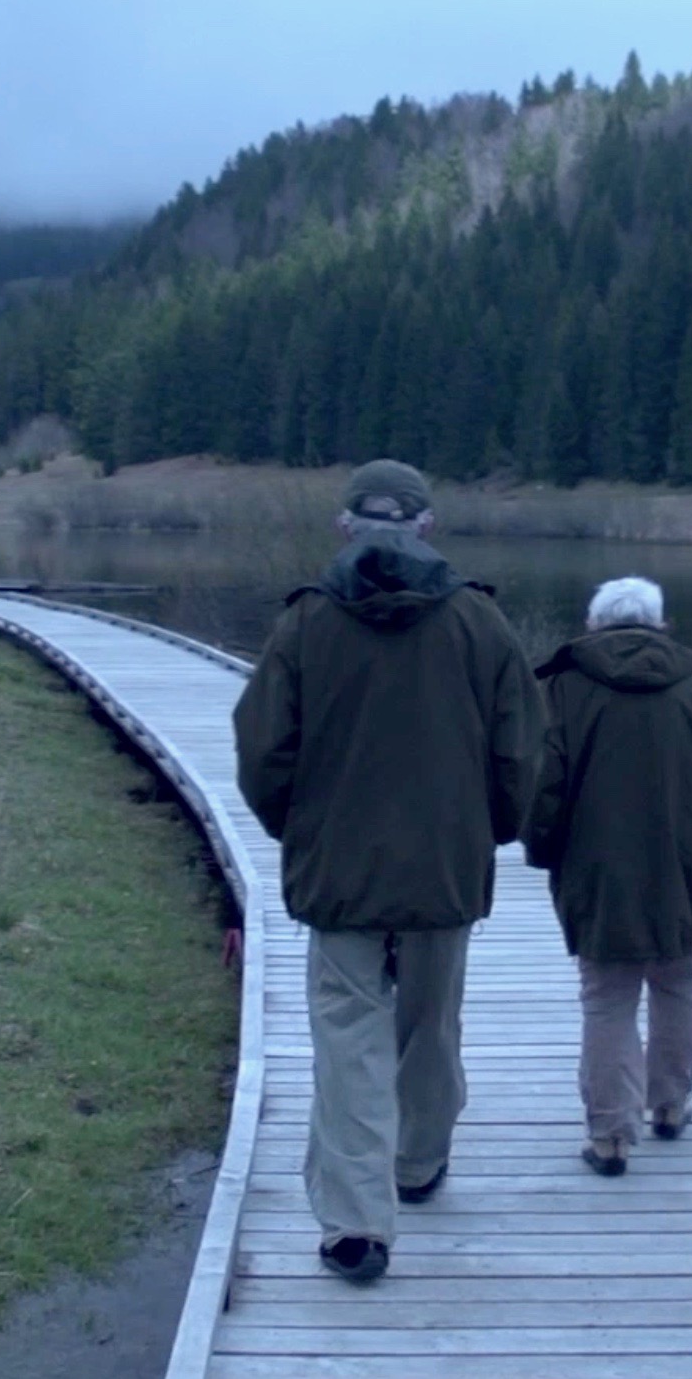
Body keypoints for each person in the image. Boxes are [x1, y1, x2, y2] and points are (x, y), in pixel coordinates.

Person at [231, 459, 540, 1283]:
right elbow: (521, 753)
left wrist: (296, 830)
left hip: (339, 871)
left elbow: (261, 751)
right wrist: (488, 830)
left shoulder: (305, 624)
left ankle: (356, 1225)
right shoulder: (481, 624)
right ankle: (417, 1163)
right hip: (443, 865)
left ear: (343, 528)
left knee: (346, 1041)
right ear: (426, 526)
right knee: (430, 1025)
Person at [525, 576, 692, 1177]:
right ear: (662, 625)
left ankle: (611, 1137)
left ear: (592, 625)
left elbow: (540, 784)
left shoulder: (563, 687)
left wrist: (543, 847)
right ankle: (670, 1106)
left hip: (598, 867)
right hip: (688, 867)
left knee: (607, 997)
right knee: (679, 982)